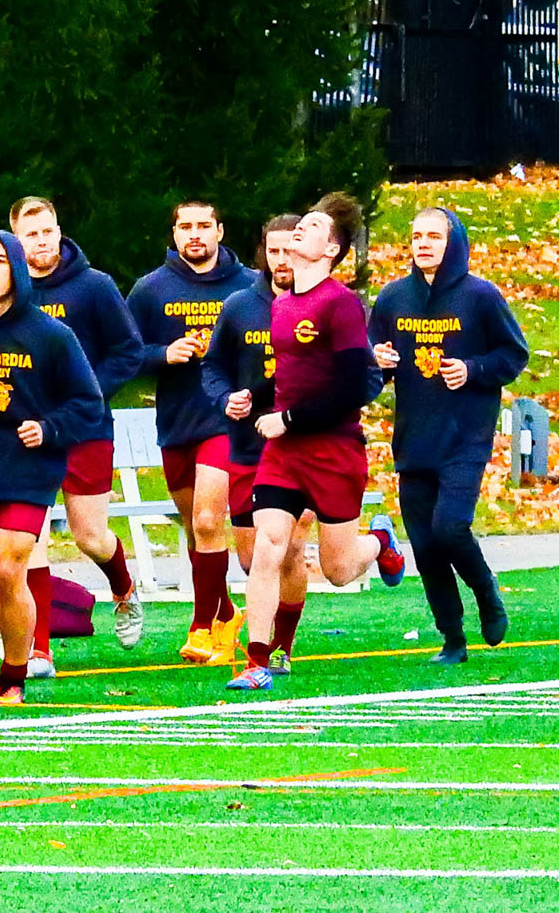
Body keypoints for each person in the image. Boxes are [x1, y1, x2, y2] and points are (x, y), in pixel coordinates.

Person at [225, 193, 406, 691]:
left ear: (331, 249)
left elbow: (351, 387)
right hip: (285, 454)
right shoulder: (282, 305)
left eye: (313, 226)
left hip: (333, 451)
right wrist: (253, 396)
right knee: (269, 548)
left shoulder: (341, 304)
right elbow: (289, 374)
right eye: (300, 223)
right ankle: (257, 660)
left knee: (339, 569)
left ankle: (381, 542)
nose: (300, 230)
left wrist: (288, 418)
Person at [0, 232, 102, 697]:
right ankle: (15, 603)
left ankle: (12, 679)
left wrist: (49, 429)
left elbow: (87, 404)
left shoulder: (51, 335)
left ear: (17, 268)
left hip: (27, 473)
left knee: (11, 568)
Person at [371, 207, 528, 664]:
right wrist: (375, 360)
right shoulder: (393, 298)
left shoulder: (480, 296)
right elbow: (370, 360)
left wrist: (473, 368)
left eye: (434, 236)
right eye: (416, 235)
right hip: (414, 438)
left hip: (464, 435)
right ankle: (452, 638)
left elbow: (513, 354)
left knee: (450, 527)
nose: (423, 244)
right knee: (424, 543)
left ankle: (486, 591)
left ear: (453, 241)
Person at [11, 196, 146, 647]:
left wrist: (85, 392)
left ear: (59, 230)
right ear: (16, 239)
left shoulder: (95, 286)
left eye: (48, 231)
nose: (42, 241)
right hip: (27, 435)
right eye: (31, 234)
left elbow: (128, 351)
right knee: (31, 538)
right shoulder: (6, 293)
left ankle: (124, 588)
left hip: (84, 427)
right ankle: (39, 647)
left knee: (90, 535)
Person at [126, 201, 255, 665]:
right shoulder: (150, 290)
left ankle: (202, 627)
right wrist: (164, 354)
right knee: (196, 530)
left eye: (204, 226)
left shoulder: (249, 286)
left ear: (220, 230)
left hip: (227, 421)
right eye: (186, 227)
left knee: (206, 521)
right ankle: (225, 612)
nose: (194, 234)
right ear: (174, 233)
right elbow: (124, 354)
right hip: (178, 421)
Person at [202, 215, 314, 675]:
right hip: (249, 446)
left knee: (286, 548)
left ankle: (277, 647)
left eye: (290, 249)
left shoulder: (326, 304)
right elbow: (213, 368)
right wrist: (226, 397)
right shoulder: (239, 307)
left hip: (305, 445)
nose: (282, 260)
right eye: (274, 251)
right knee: (252, 556)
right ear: (263, 254)